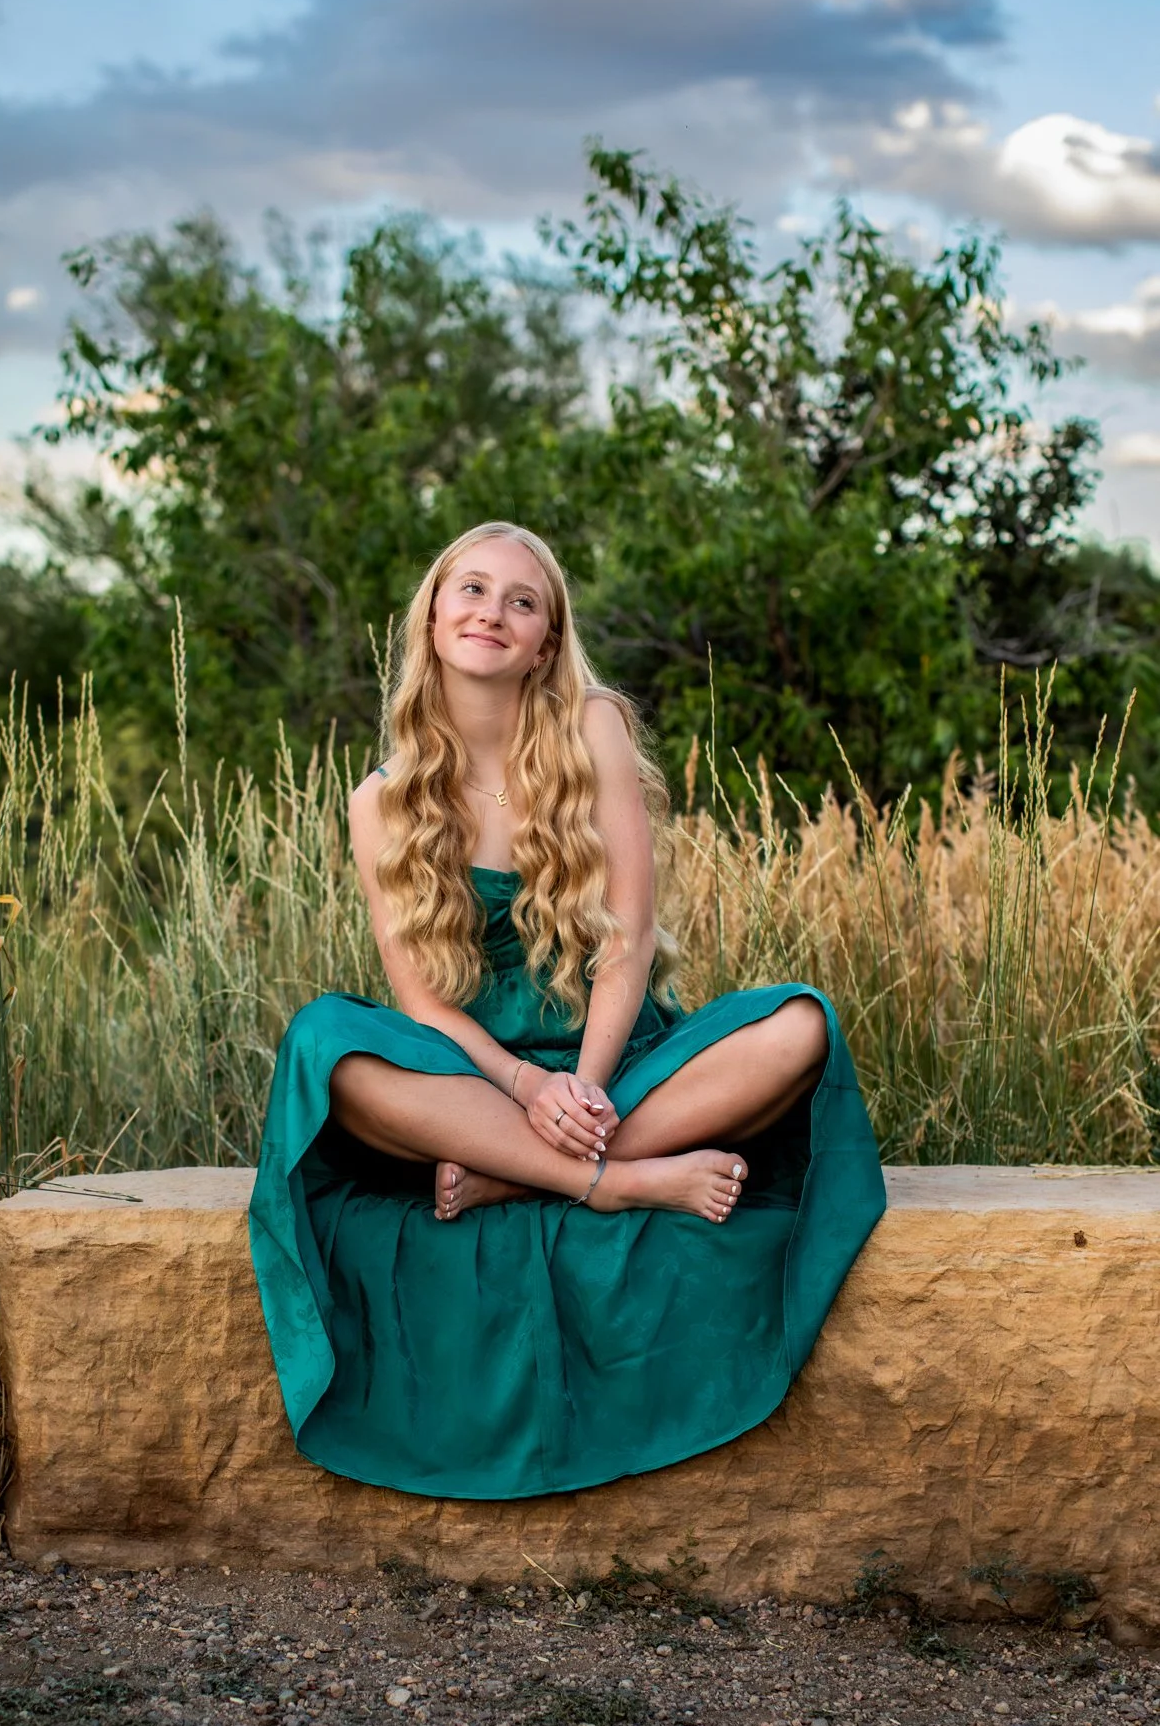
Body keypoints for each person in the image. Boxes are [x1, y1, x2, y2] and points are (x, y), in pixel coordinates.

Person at [248, 521, 886, 1499]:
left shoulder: (593, 728)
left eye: (521, 599)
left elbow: (626, 942)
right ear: (432, 612)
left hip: (615, 1060)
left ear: (546, 640)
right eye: (470, 589)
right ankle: (612, 1183)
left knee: (801, 1023)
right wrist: (520, 1081)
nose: (491, 612)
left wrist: (581, 1089)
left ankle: (524, 1179)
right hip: (469, 1079)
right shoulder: (379, 799)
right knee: (326, 1046)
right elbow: (421, 997)